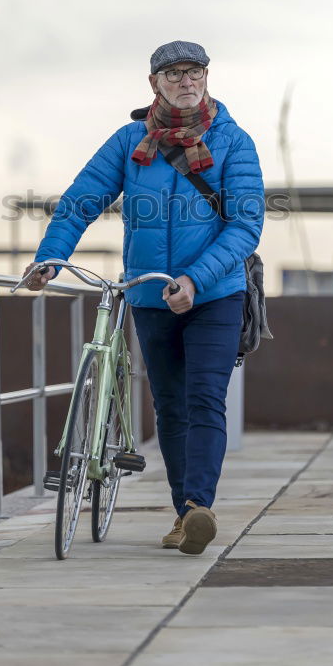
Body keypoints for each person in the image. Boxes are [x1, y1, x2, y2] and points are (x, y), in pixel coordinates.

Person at [22, 41, 264, 555]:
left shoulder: (233, 142)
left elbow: (246, 226)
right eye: (173, 73)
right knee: (172, 407)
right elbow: (80, 201)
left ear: (207, 76)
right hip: (151, 297)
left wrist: (196, 280)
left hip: (215, 294)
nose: (185, 80)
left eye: (194, 71)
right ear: (154, 83)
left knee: (203, 399)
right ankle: (186, 517)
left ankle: (198, 505)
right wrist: (50, 256)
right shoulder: (130, 141)